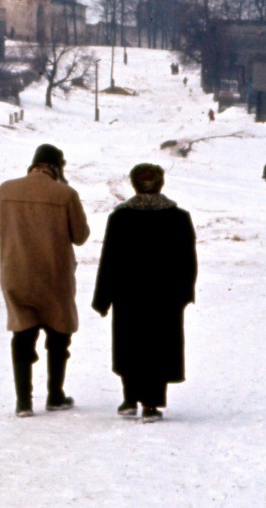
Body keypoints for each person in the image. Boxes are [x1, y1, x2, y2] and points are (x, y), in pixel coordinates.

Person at [0, 144, 90, 416]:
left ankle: (23, 402)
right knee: (58, 334)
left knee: (22, 335)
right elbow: (80, 236)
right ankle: (55, 395)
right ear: (57, 167)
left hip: (16, 273)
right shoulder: (66, 194)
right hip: (54, 274)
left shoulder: (6, 190)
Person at [92, 163, 198, 423]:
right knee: (159, 347)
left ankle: (130, 399)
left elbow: (109, 260)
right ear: (161, 183)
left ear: (134, 184)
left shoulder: (120, 217)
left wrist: (103, 297)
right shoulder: (178, 217)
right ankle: (151, 403)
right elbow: (188, 261)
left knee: (129, 346)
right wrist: (184, 293)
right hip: (165, 298)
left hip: (128, 297)